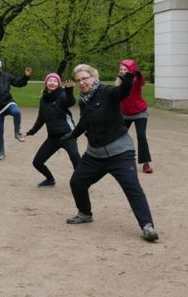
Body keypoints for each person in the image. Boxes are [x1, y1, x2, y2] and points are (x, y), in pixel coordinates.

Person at [62, 64, 159, 242]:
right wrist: (72, 135)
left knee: (132, 187)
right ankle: (85, 213)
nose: (82, 83)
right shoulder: (84, 100)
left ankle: (147, 226)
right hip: (95, 155)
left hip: (120, 152)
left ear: (94, 77)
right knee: (77, 182)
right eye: (78, 80)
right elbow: (84, 121)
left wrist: (128, 80)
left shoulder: (107, 92)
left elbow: (121, 92)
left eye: (85, 78)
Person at [25, 73, 81, 187]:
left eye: (55, 81)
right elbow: (41, 118)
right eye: (50, 80)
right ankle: (50, 179)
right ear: (46, 83)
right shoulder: (43, 99)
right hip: (53, 137)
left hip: (68, 134)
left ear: (58, 84)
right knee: (37, 162)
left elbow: (70, 102)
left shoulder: (62, 95)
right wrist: (32, 131)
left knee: (75, 157)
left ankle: (82, 183)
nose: (52, 82)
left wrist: (69, 91)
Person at [117, 59, 153, 173]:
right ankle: (119, 160)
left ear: (130, 70)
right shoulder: (119, 81)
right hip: (125, 114)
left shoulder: (136, 80)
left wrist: (136, 73)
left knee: (141, 136)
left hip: (139, 112)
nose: (122, 71)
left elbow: (142, 81)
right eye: (121, 69)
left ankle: (146, 163)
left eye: (125, 69)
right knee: (119, 136)